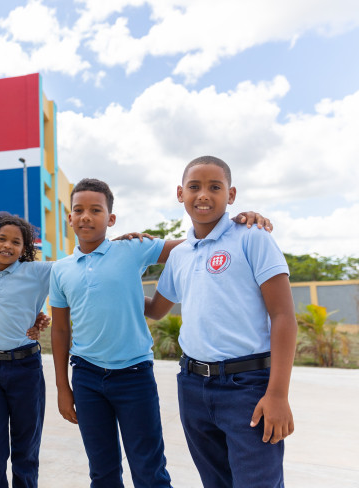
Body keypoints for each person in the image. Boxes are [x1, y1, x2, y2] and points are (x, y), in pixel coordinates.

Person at [49, 177, 273, 488]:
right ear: (69, 217)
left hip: (134, 375)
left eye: (96, 210)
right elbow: (60, 330)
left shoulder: (131, 249)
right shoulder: (60, 269)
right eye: (79, 210)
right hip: (86, 377)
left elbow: (196, 241)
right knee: (101, 471)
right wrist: (63, 387)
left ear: (111, 219)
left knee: (149, 470)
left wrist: (237, 225)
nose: (86, 216)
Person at [144, 156, 296, 488]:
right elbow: (155, 309)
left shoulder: (252, 237)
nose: (203, 195)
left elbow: (283, 316)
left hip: (248, 387)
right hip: (193, 387)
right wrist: (115, 281)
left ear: (231, 194)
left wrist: (278, 394)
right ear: (180, 193)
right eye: (194, 187)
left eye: (215, 187)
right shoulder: (180, 254)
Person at [0, 212, 51, 488]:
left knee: (26, 446)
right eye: (1, 239)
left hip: (26, 369)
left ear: (25, 248)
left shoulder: (36, 272)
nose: (7, 245)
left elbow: (75, 266)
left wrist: (115, 243)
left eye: (16, 242)